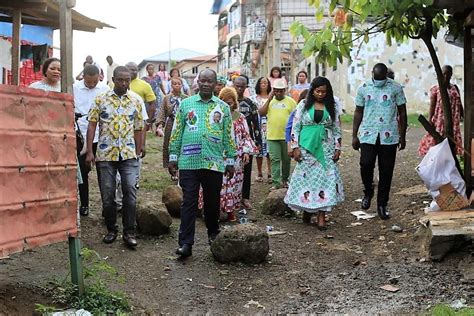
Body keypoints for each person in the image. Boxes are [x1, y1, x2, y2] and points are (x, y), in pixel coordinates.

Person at [168, 69, 236, 259]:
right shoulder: (186, 104)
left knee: (212, 201)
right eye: (203, 81)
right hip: (189, 161)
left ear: (216, 84)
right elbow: (176, 132)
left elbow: (228, 135)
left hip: (214, 162)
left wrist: (230, 160)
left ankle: (213, 235)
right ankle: (185, 243)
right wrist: (173, 156)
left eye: (210, 81)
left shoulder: (222, 108)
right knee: (188, 202)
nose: (206, 84)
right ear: (198, 82)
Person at [86, 66, 144, 248]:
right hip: (105, 153)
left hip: (128, 154)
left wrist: (140, 148)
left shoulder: (135, 100)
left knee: (130, 192)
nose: (124, 83)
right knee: (108, 194)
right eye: (120, 80)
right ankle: (111, 229)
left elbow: (139, 126)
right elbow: (92, 125)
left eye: (127, 80)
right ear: (113, 79)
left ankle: (129, 232)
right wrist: (89, 151)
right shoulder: (100, 99)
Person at [284, 77, 344, 229]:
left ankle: (321, 216)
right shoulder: (303, 105)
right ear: (312, 91)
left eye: (324, 91)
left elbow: (337, 128)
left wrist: (338, 148)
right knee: (307, 180)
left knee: (325, 180)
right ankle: (307, 209)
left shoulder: (333, 106)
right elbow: (295, 127)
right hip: (306, 148)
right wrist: (295, 147)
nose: (321, 94)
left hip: (326, 148)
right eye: (317, 91)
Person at [352, 63, 407, 220]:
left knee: (386, 171)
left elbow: (403, 112)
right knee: (366, 164)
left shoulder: (396, 88)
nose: (379, 82)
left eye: (382, 79)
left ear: (386, 76)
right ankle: (368, 191)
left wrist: (402, 136)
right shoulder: (363, 87)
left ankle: (382, 204)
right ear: (372, 75)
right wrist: (354, 135)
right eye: (377, 79)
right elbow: (358, 111)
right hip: (368, 134)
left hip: (389, 136)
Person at [74, 64, 109, 216]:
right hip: (80, 133)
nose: (92, 84)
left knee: (104, 172)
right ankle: (84, 204)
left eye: (95, 81)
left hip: (100, 135)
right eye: (89, 82)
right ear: (84, 77)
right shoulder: (74, 88)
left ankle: (106, 206)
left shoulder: (104, 89)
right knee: (82, 171)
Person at [218, 87, 258, 221]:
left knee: (234, 184)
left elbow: (246, 136)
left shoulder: (240, 117)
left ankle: (230, 211)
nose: (227, 105)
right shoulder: (217, 116)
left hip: (237, 156)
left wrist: (246, 151)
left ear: (234, 102)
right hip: (219, 155)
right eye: (224, 102)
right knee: (220, 183)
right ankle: (216, 210)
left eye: (229, 103)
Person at [259, 78, 297, 189]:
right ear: (273, 90)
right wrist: (270, 98)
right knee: (274, 159)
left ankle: (285, 180)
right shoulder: (270, 101)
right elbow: (261, 113)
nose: (279, 93)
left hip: (287, 137)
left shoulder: (291, 102)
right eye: (276, 90)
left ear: (285, 90)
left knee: (286, 160)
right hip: (272, 136)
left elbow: (296, 118)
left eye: (281, 90)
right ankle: (276, 182)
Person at [418, 65, 464, 157]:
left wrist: (463, 115)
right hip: (440, 120)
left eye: (448, 73)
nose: (446, 76)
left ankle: (450, 161)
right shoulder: (436, 89)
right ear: (440, 75)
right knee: (439, 141)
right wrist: (430, 119)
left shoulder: (455, 88)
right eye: (444, 74)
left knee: (452, 142)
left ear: (451, 74)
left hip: (454, 121)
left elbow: (459, 103)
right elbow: (432, 106)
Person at [233, 76, 262, 209]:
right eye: (237, 86)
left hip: (246, 142)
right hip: (230, 142)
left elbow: (256, 124)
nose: (239, 89)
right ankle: (232, 197)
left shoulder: (250, 104)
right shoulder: (227, 102)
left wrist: (258, 142)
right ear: (233, 85)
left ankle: (245, 197)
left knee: (246, 169)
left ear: (246, 87)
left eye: (242, 86)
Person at [156, 77, 188, 174]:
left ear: (182, 85)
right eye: (174, 84)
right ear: (171, 85)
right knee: (170, 144)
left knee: (183, 144)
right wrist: (160, 125)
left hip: (183, 124)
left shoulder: (186, 98)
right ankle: (172, 168)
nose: (177, 85)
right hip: (171, 123)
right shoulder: (166, 98)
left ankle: (182, 167)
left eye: (179, 83)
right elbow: (162, 112)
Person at [251, 77, 272, 183]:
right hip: (257, 126)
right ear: (258, 84)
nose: (264, 84)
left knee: (269, 149)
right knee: (259, 149)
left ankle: (270, 172)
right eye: (261, 82)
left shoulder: (271, 97)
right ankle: (259, 172)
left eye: (266, 83)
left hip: (269, 125)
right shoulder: (253, 98)